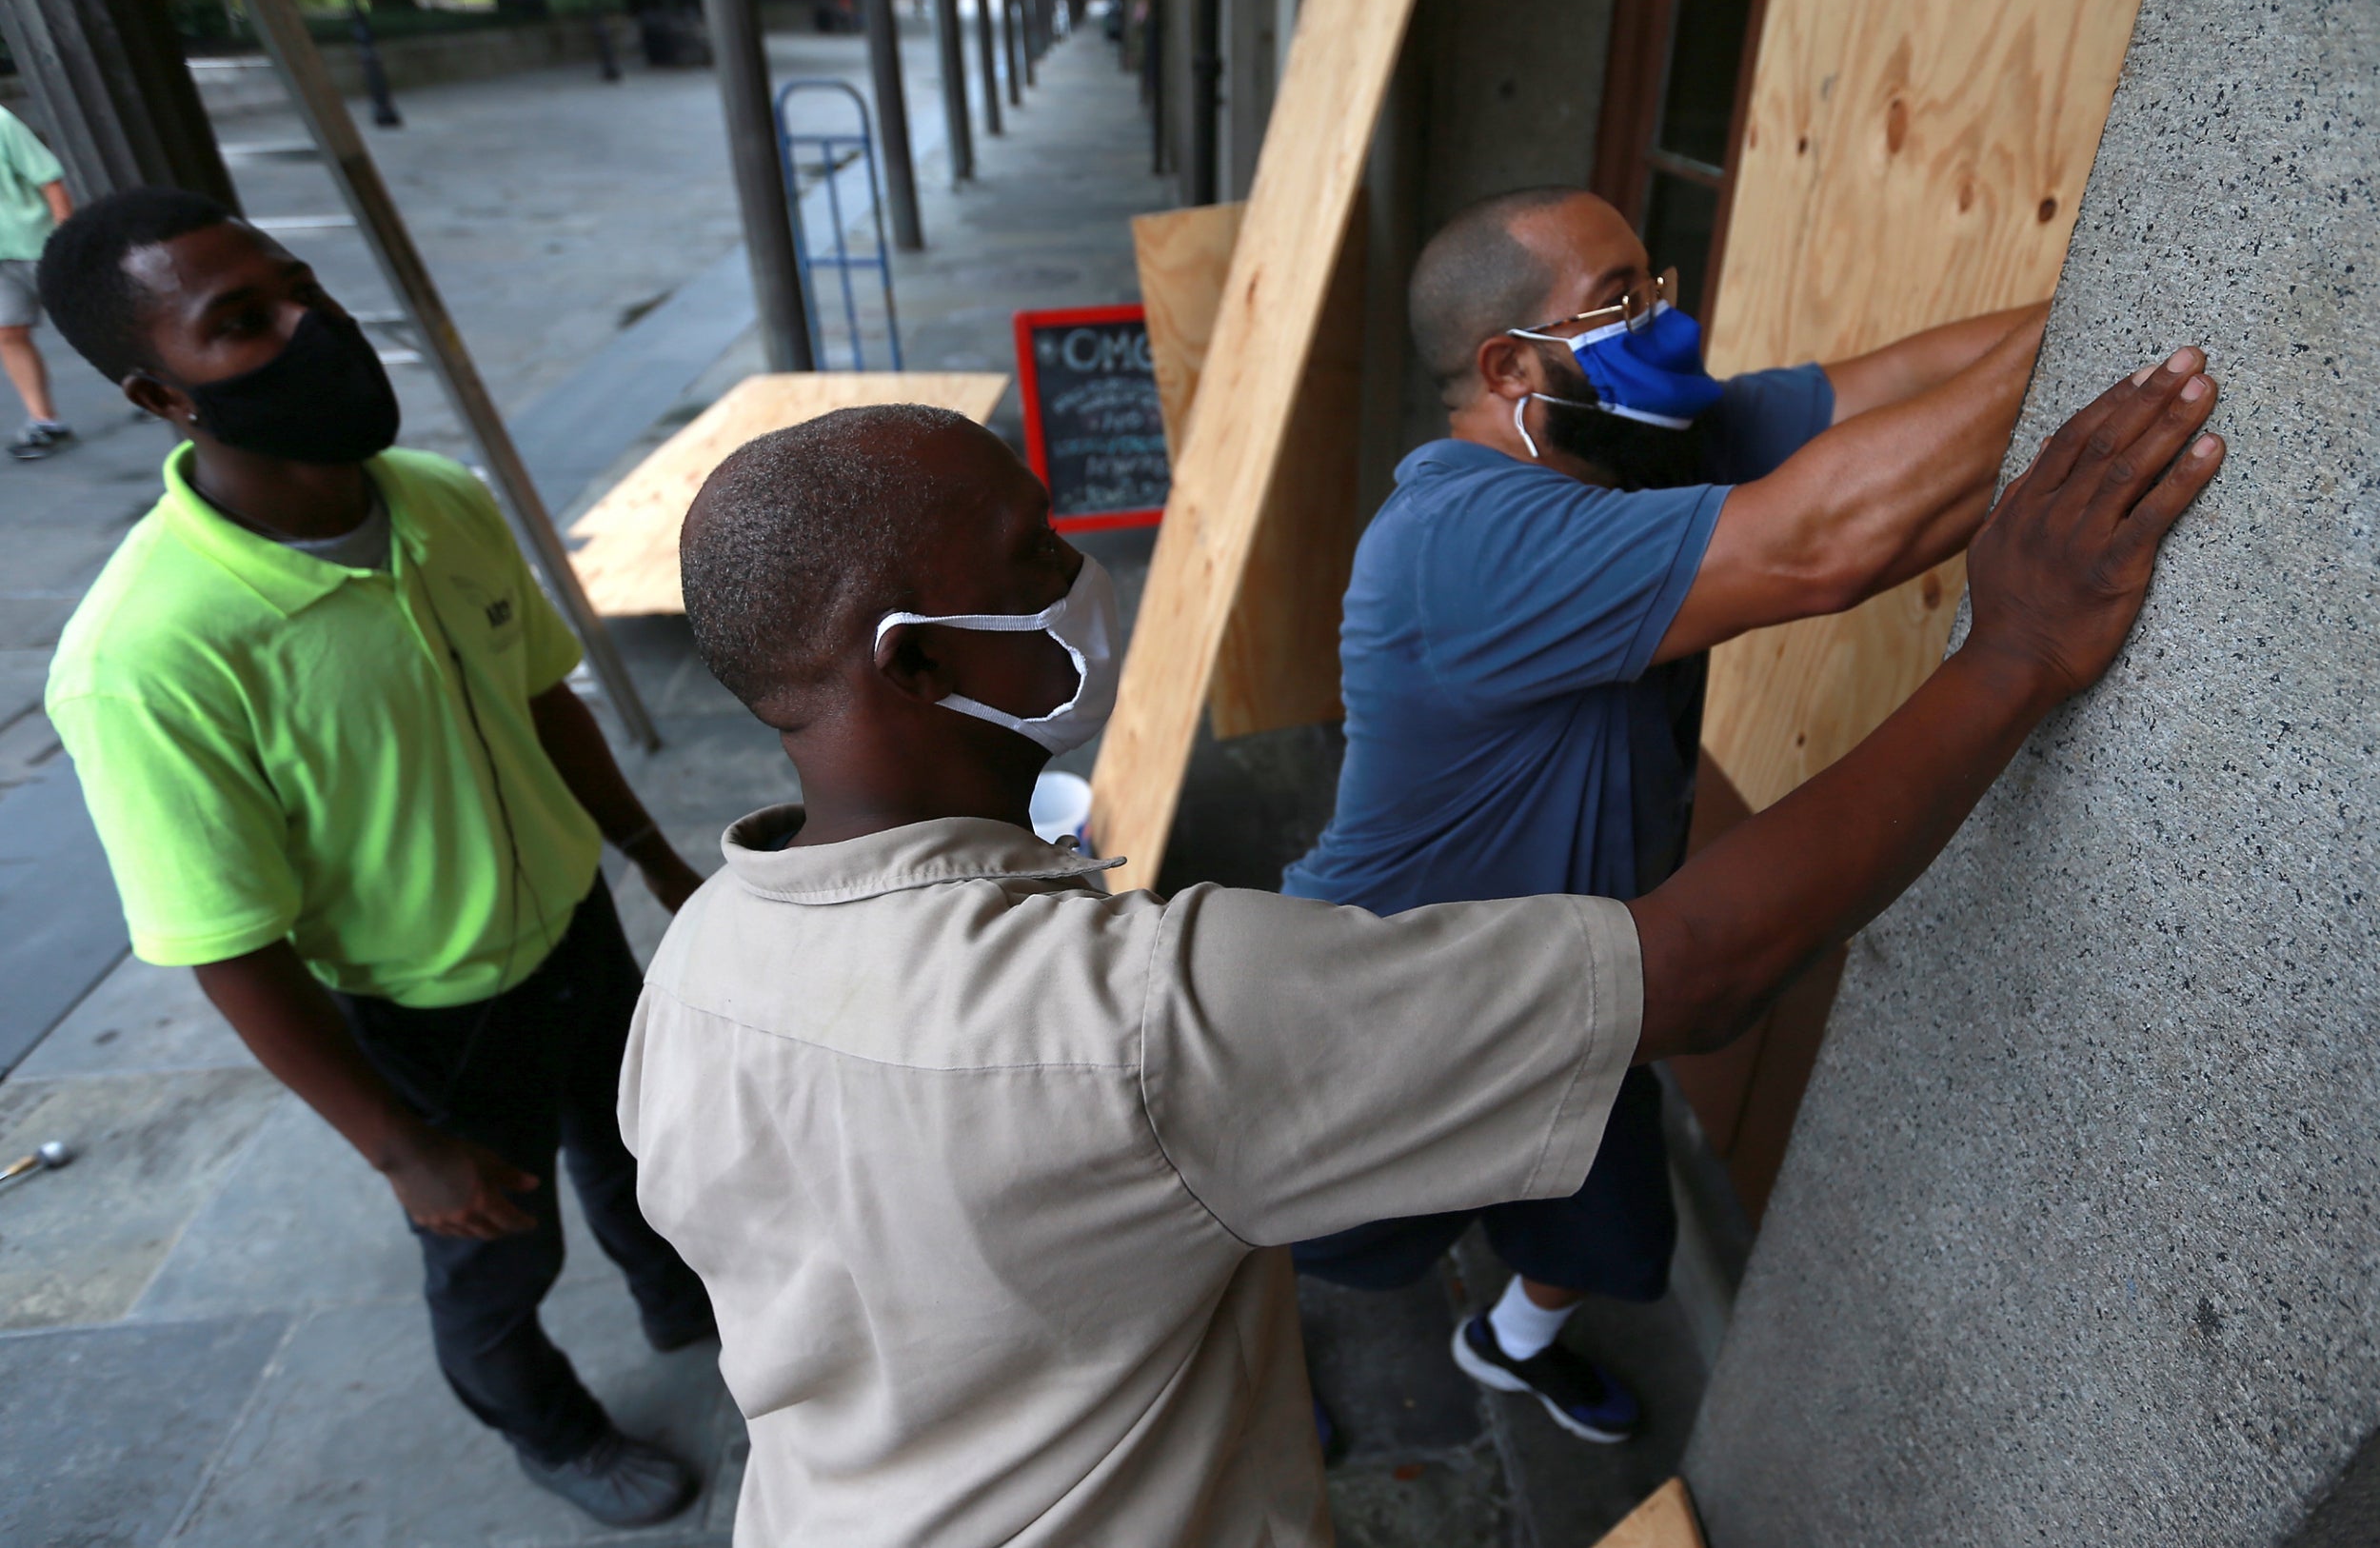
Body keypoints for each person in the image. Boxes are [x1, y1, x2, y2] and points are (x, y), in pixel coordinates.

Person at [627, 362, 2222, 1544]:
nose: (1085, 582)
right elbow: (1711, 961)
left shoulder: (697, 967)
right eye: (1032, 556)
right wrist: (2012, 652)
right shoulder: (1127, 1019)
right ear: (910, 663)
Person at [1279, 186, 2055, 1440]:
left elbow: (1905, 378)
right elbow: (1831, 539)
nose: (1666, 320)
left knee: (1611, 1231)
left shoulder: (1638, 440)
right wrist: (2162, 322)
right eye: (1618, 300)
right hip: (1384, 1028)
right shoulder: (1459, 534)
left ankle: (1505, 1341)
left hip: (1572, 1007)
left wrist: (2123, 281)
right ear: (1508, 364)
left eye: (1655, 281)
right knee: (1316, 1239)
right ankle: (1251, 1375)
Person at [39, 188, 714, 1529]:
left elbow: (539, 694)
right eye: (242, 324)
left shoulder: (439, 501)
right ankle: (552, 1427)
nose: (313, 327)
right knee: (491, 1256)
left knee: (637, 1143)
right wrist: (398, 1144)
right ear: (157, 391)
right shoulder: (149, 654)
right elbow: (224, 940)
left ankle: (678, 1292)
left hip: (575, 921)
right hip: (432, 1014)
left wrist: (649, 855)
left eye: (301, 287)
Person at [0, 107, 73, 461]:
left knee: (90, 319)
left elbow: (49, 178)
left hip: (38, 245)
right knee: (8, 332)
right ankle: (44, 420)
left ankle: (155, 385)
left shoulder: (2, 122)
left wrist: (65, 237)